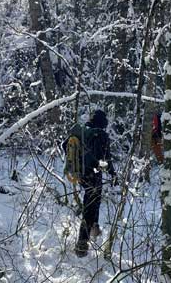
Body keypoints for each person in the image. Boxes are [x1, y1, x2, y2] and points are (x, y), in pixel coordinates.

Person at [64, 109, 116, 257]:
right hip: (94, 174)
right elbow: (107, 158)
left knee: (93, 200)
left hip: (81, 175)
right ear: (103, 122)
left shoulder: (81, 131)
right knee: (90, 206)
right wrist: (113, 174)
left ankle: (94, 227)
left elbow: (64, 145)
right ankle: (82, 243)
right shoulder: (101, 135)